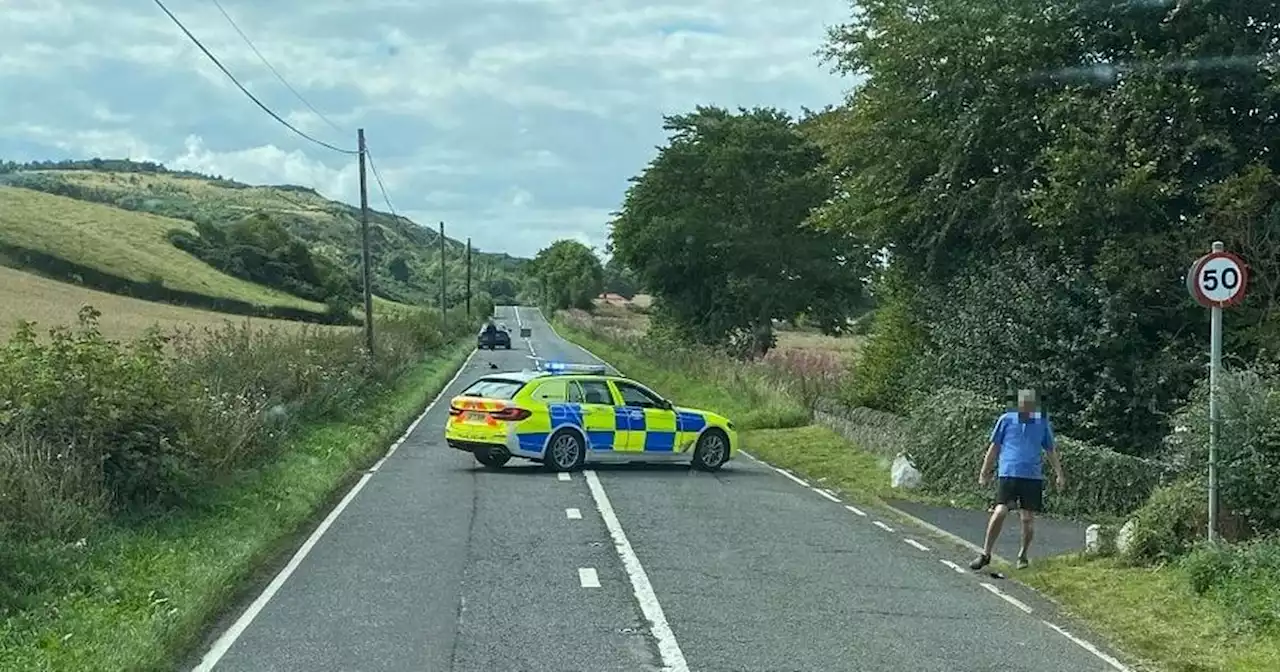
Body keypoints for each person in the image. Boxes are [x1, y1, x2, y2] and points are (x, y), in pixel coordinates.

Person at [969, 388, 1065, 571]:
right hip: (1008, 473)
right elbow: (994, 447)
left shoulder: (1042, 422)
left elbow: (1050, 450)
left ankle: (1023, 555)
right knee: (1000, 512)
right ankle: (985, 553)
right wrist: (984, 472)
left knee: (1027, 518)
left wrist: (1059, 474)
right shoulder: (1005, 420)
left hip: (1032, 476)